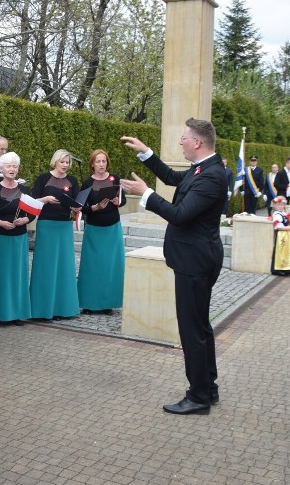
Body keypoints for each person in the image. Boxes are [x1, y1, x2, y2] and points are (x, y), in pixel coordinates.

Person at [120, 118, 227, 416]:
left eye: (183, 138)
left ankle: (198, 396)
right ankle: (209, 387)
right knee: (200, 327)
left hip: (195, 261)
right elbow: (171, 178)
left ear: (197, 142)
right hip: (196, 257)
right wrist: (146, 153)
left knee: (192, 330)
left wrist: (145, 194)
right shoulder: (202, 168)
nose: (180, 142)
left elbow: (179, 215)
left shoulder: (212, 175)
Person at [30, 149, 80, 319]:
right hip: (46, 225)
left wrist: (76, 207)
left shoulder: (72, 180)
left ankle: (63, 308)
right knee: (45, 266)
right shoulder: (44, 178)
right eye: (62, 162)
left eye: (67, 162)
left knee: (64, 267)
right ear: (55, 161)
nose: (65, 165)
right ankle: (42, 309)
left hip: (64, 226)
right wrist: (46, 199)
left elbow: (77, 203)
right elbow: (31, 200)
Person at [0, 152, 34, 324]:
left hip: (18, 238)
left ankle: (16, 313)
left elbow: (33, 212)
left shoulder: (25, 190)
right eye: (8, 166)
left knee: (17, 276)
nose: (12, 169)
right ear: (1, 168)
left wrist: (25, 219)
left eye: (15, 166)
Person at [77, 149, 126, 313]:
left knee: (110, 267)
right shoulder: (87, 183)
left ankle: (107, 304)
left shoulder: (115, 179)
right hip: (94, 229)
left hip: (112, 228)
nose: (101, 164)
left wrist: (118, 201)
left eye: (104, 161)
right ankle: (89, 304)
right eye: (98, 161)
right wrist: (96, 207)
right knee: (92, 267)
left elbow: (123, 200)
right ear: (92, 164)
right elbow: (80, 208)